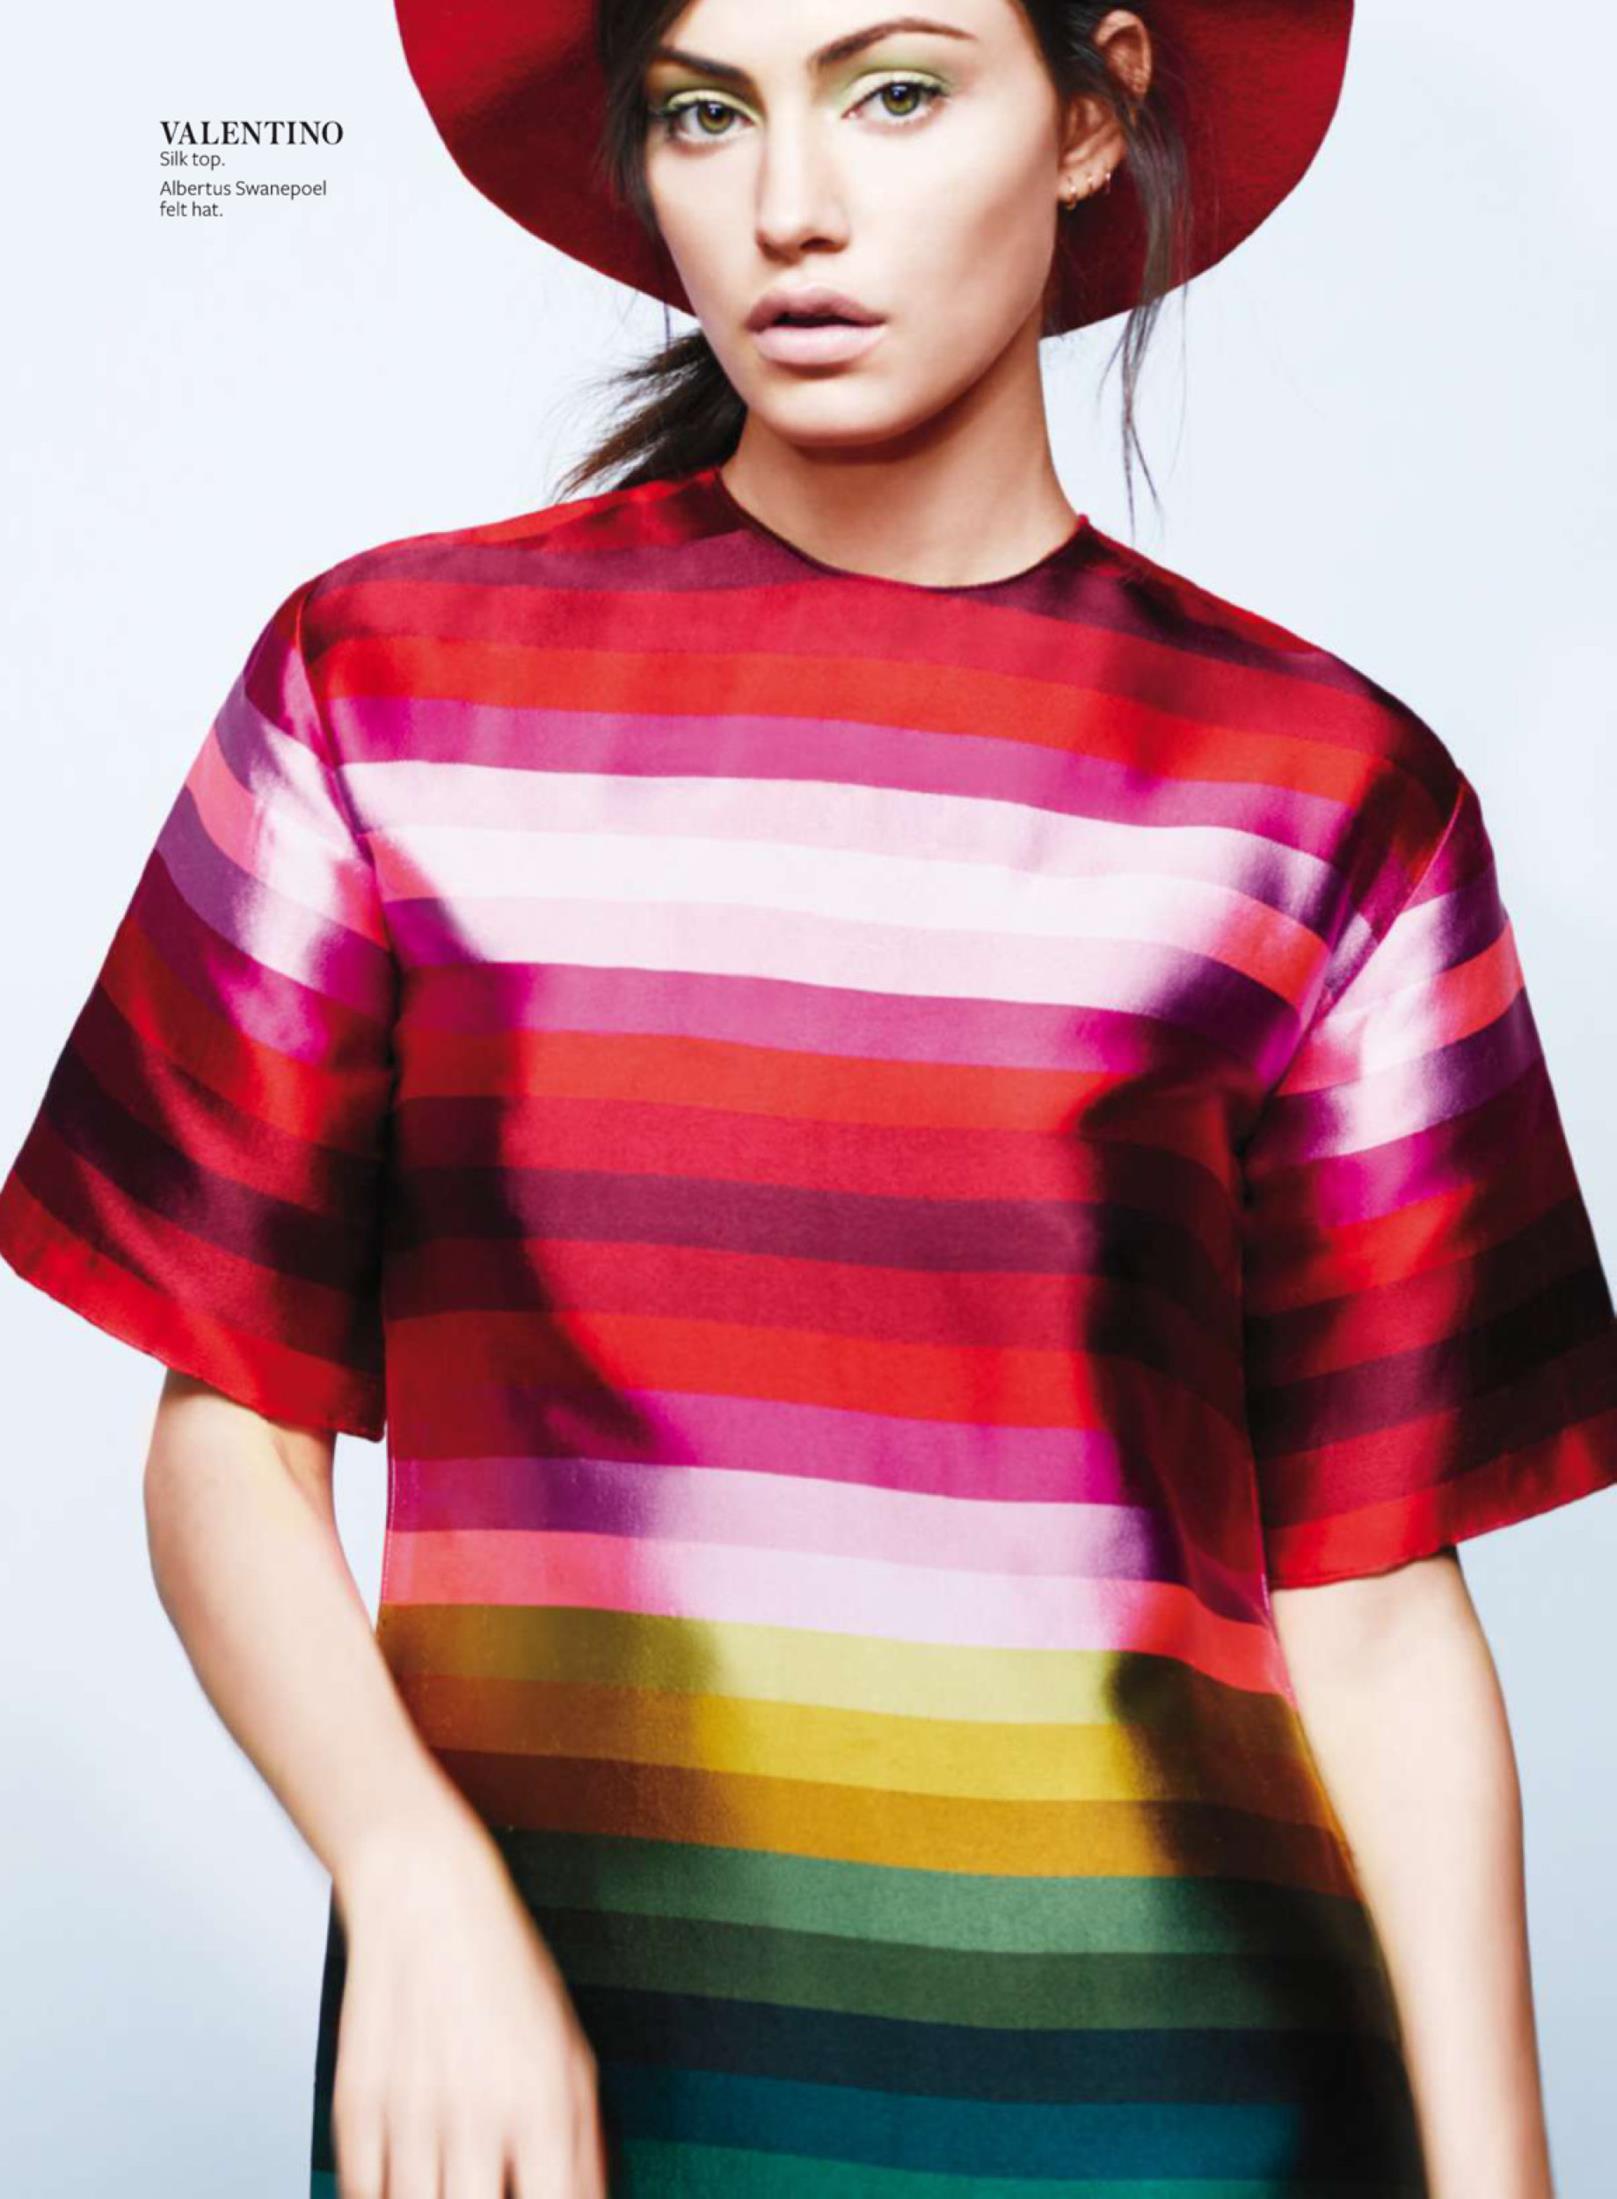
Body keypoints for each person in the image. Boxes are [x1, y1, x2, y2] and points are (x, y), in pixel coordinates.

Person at [2, 1, 1612, 2192]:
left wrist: (1499, 2178)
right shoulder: (382, 693)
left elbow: (1372, 1599)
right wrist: (406, 1869)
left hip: (1187, 2105)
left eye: (894, 90)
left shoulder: (1323, 794)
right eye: (704, 110)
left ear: (1092, 113)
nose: (787, 206)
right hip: (539, 2092)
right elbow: (227, 1441)